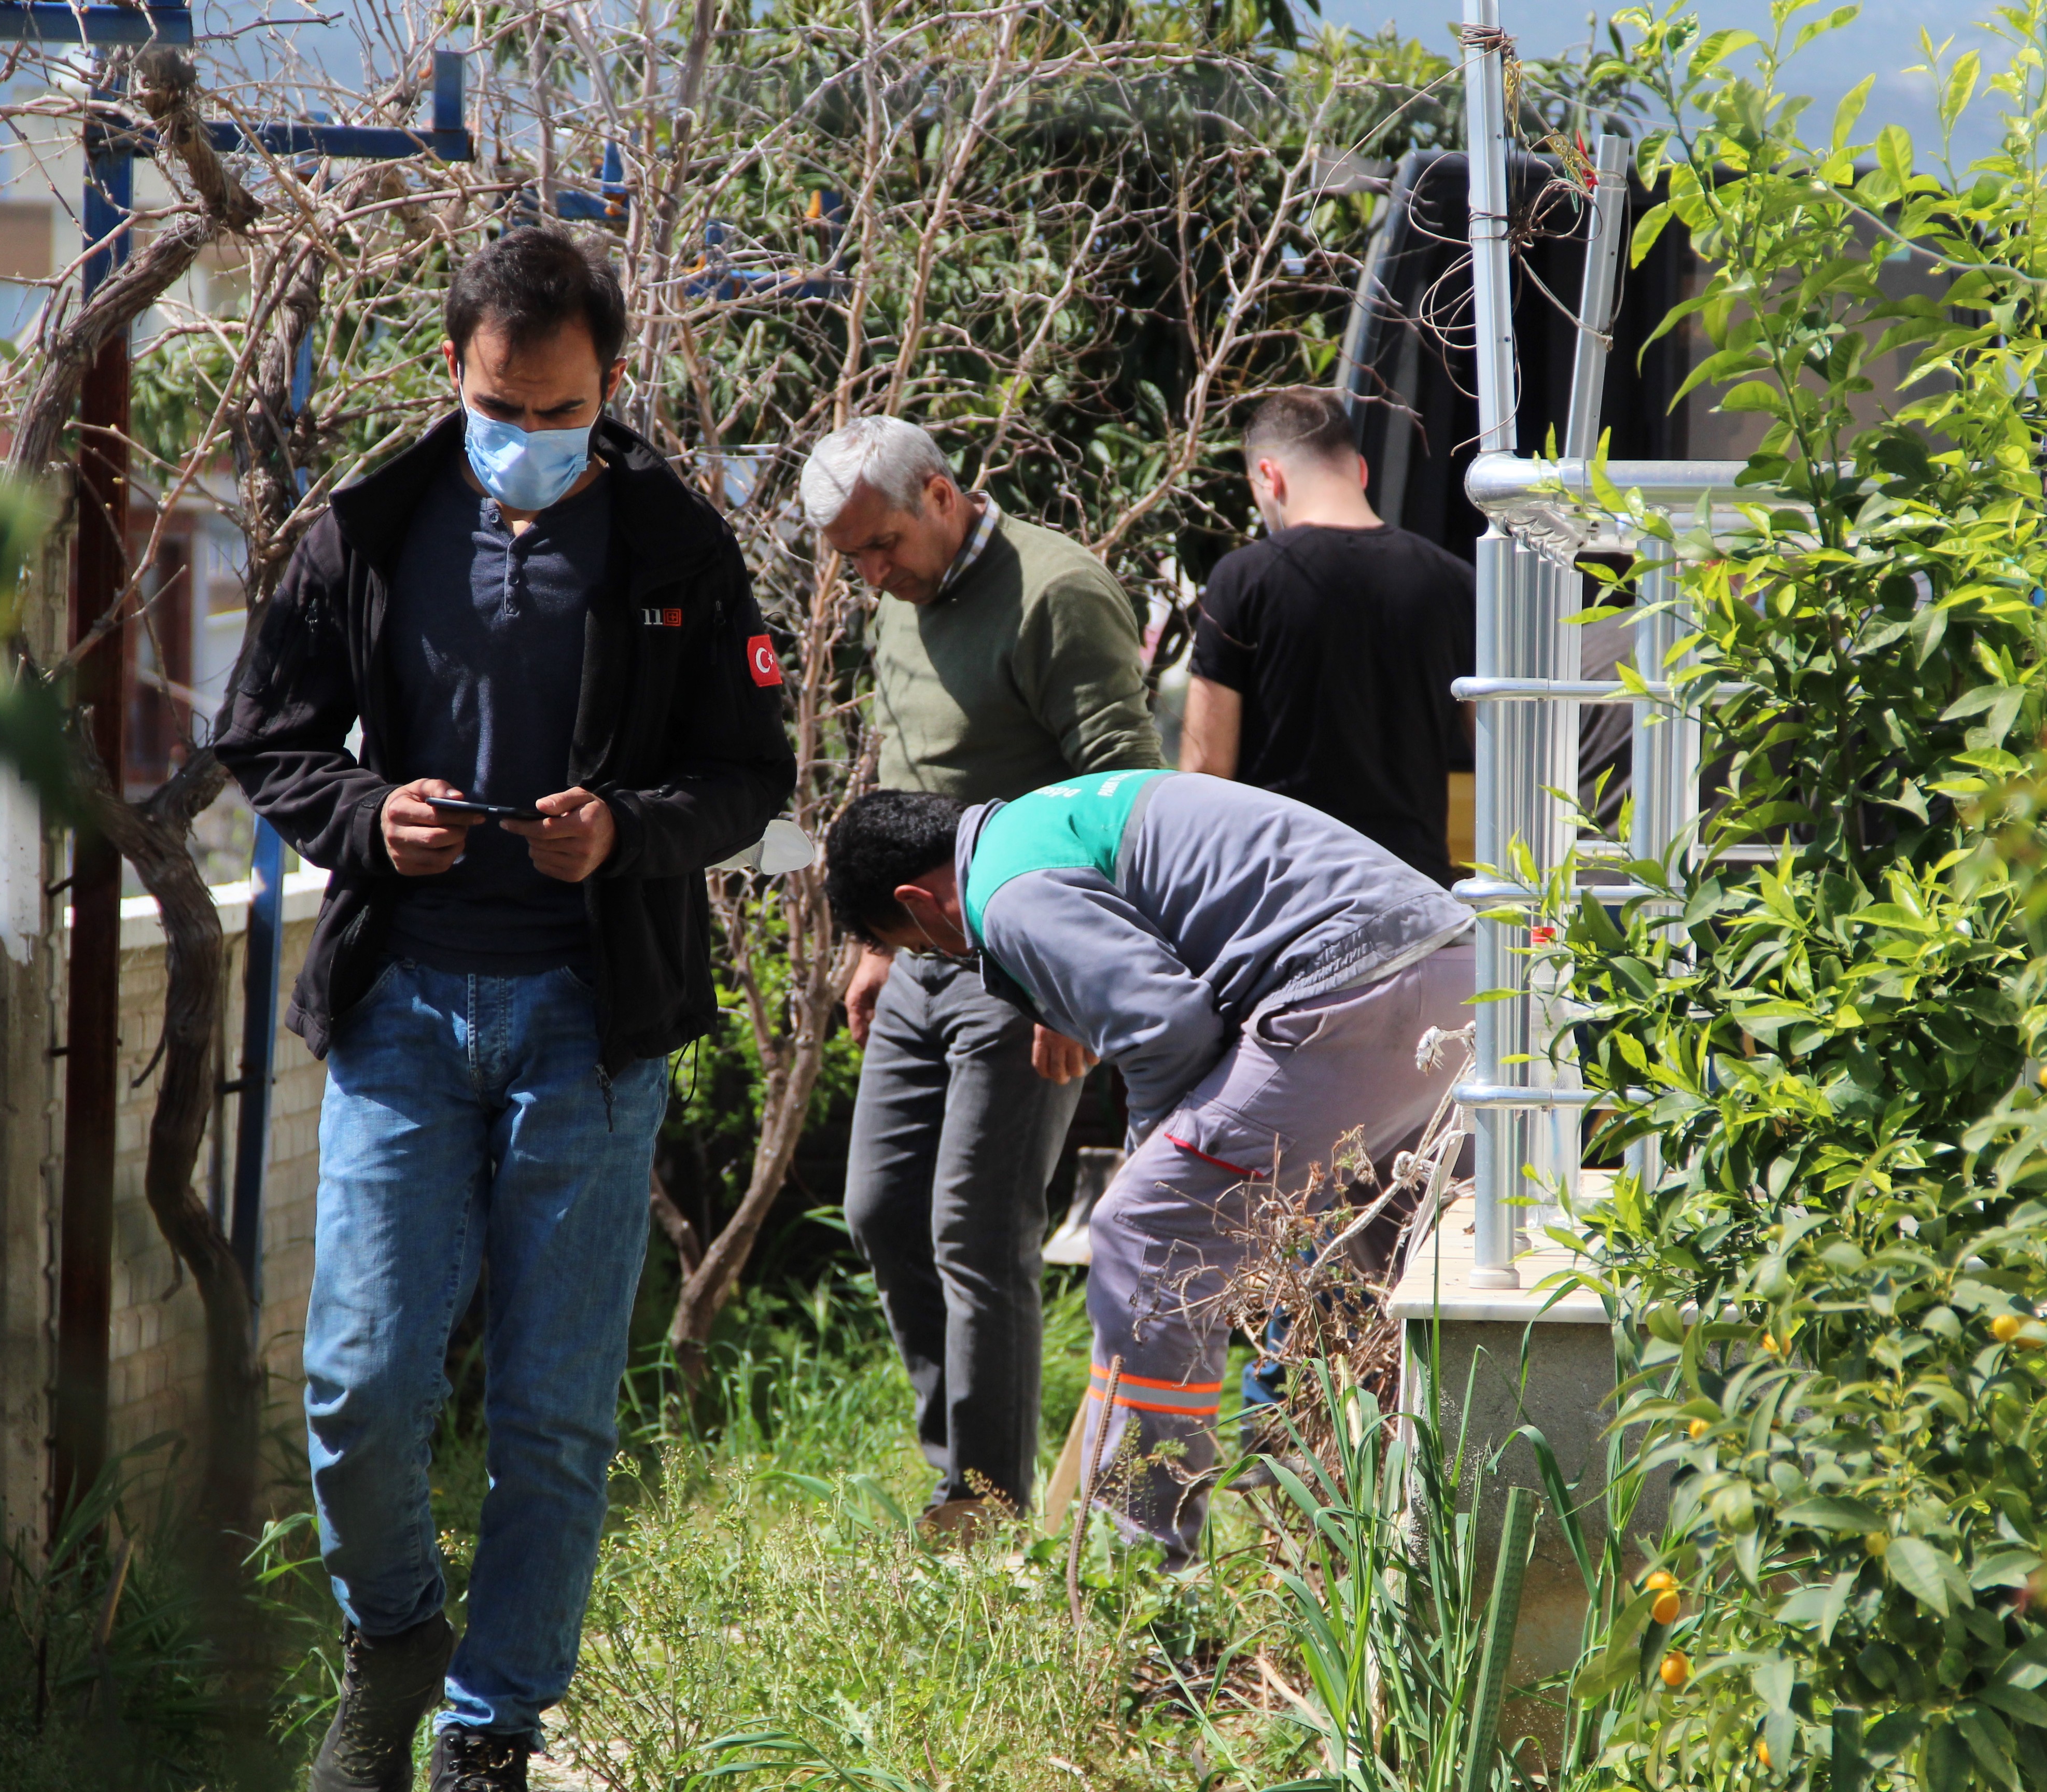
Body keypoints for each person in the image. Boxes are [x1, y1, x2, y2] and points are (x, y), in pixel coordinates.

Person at [214, 226, 795, 1792]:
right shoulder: (371, 527)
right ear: (454, 377)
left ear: (611, 384)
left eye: (556, 411)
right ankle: (393, 1630)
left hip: (588, 1022)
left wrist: (625, 831)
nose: (524, 440)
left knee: (550, 1418)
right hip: (403, 1003)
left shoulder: (681, 548)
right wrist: (360, 816)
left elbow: (754, 778)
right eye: (497, 405)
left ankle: (491, 1731)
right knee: (357, 1380)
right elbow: (265, 740)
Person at [820, 771, 1473, 1558]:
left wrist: (1150, 1161)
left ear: (919, 904)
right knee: (1410, 1274)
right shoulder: (1043, 822)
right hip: (1458, 977)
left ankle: (1140, 1577)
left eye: (918, 950)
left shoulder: (1004, 891)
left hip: (1349, 992)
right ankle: (1444, 1539)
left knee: (1143, 1232)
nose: (941, 959)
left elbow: (1165, 1027)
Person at [803, 415, 1162, 1538]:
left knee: (977, 1225)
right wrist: (874, 945)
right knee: (881, 1209)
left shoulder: (1058, 593)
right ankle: (956, 1467)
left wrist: (1075, 989)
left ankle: (990, 1505)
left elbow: (1128, 804)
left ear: (945, 496)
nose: (873, 575)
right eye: (853, 559)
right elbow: (908, 777)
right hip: (921, 951)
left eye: (884, 546)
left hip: (1029, 957)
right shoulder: (901, 605)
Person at [1180, 387, 1475, 887]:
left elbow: (1206, 771)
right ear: (1360, 470)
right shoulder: (1457, 582)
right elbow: (1493, 751)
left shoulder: (1243, 579)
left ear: (1270, 477)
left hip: (1284, 896)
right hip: (1415, 893)